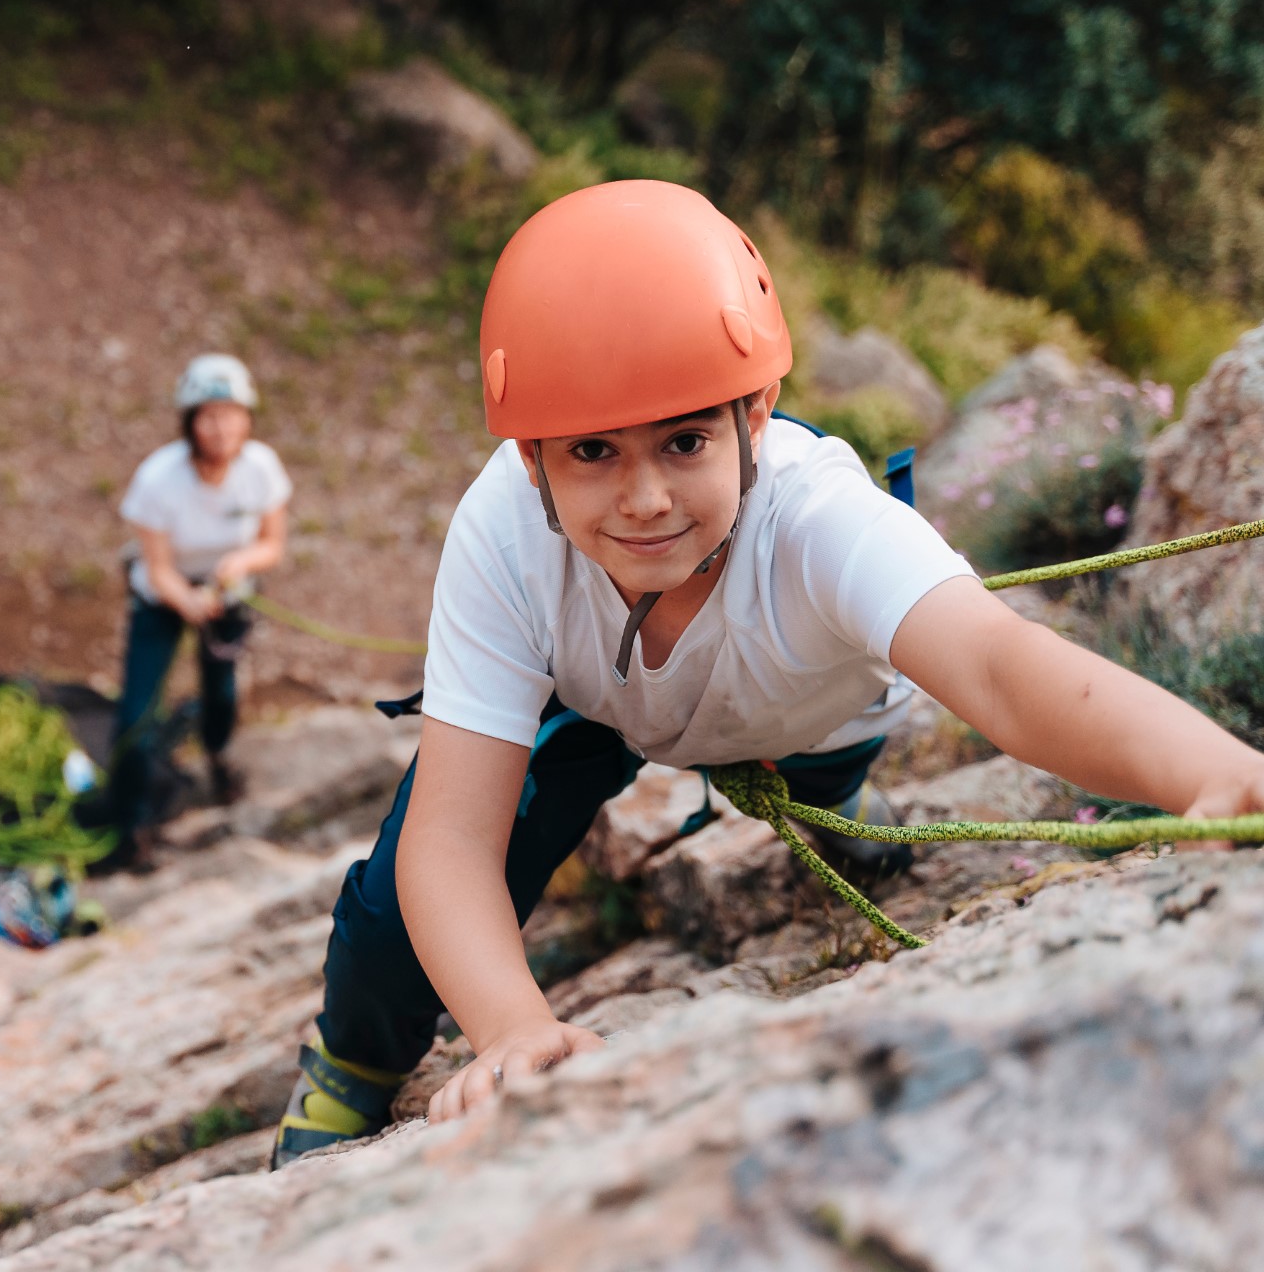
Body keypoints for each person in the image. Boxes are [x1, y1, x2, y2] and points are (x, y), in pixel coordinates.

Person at [270, 179, 1264, 1169]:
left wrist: (1212, 773)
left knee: (823, 775)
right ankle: (352, 1064)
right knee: (391, 915)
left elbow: (1001, 668)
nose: (645, 498)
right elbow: (450, 840)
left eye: (685, 441)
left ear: (757, 412)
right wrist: (512, 1029)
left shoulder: (821, 521)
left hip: (813, 717)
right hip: (601, 710)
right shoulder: (503, 536)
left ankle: (840, 804)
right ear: (531, 460)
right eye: (592, 452)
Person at [110, 354, 291, 846]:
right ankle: (132, 820)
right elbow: (155, 566)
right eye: (208, 417)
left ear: (247, 419)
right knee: (139, 707)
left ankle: (218, 757)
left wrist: (239, 563)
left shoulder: (260, 469)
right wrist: (185, 600)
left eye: (230, 415)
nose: (220, 428)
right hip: (162, 596)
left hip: (227, 591)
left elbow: (272, 544)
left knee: (222, 693)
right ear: (190, 423)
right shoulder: (159, 479)